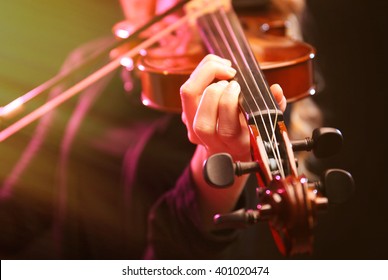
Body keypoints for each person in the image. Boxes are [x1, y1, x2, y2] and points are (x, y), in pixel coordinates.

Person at [0, 0, 312, 259]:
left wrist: (217, 165)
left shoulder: (249, 93)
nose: (163, 5)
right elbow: (23, 208)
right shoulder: (93, 64)